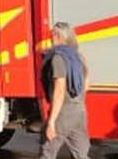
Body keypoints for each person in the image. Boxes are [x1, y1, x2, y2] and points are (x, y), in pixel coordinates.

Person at [40, 22, 90, 159]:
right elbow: (86, 86)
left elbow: (60, 90)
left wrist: (51, 121)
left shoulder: (58, 58)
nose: (51, 38)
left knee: (47, 152)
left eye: (52, 35)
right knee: (81, 155)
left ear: (58, 36)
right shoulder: (79, 57)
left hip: (62, 112)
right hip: (79, 112)